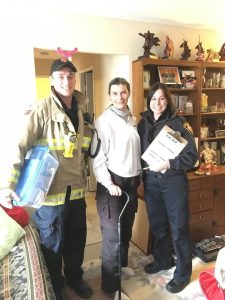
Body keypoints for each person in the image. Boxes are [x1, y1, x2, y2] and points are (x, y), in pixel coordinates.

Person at [0, 57, 93, 299]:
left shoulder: (81, 110)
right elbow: (18, 146)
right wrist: (7, 186)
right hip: (50, 198)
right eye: (60, 76)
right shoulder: (41, 110)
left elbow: (83, 146)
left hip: (77, 192)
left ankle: (75, 278)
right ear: (52, 81)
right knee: (53, 247)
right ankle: (57, 286)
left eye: (70, 76)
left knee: (76, 240)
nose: (66, 80)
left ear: (75, 78)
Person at [138, 82, 199, 294]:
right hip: (151, 183)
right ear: (149, 101)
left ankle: (182, 274)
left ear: (168, 100)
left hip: (173, 183)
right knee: (158, 226)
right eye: (153, 99)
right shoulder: (143, 122)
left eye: (162, 98)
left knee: (179, 228)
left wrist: (169, 164)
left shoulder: (179, 123)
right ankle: (163, 260)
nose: (157, 103)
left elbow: (192, 156)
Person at [91, 77, 141, 297]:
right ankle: (110, 285)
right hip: (112, 182)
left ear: (128, 93)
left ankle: (120, 266)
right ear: (109, 96)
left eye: (123, 92)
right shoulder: (103, 121)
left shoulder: (132, 119)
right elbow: (97, 157)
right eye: (115, 93)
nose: (120, 97)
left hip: (131, 182)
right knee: (112, 234)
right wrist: (108, 183)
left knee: (127, 227)